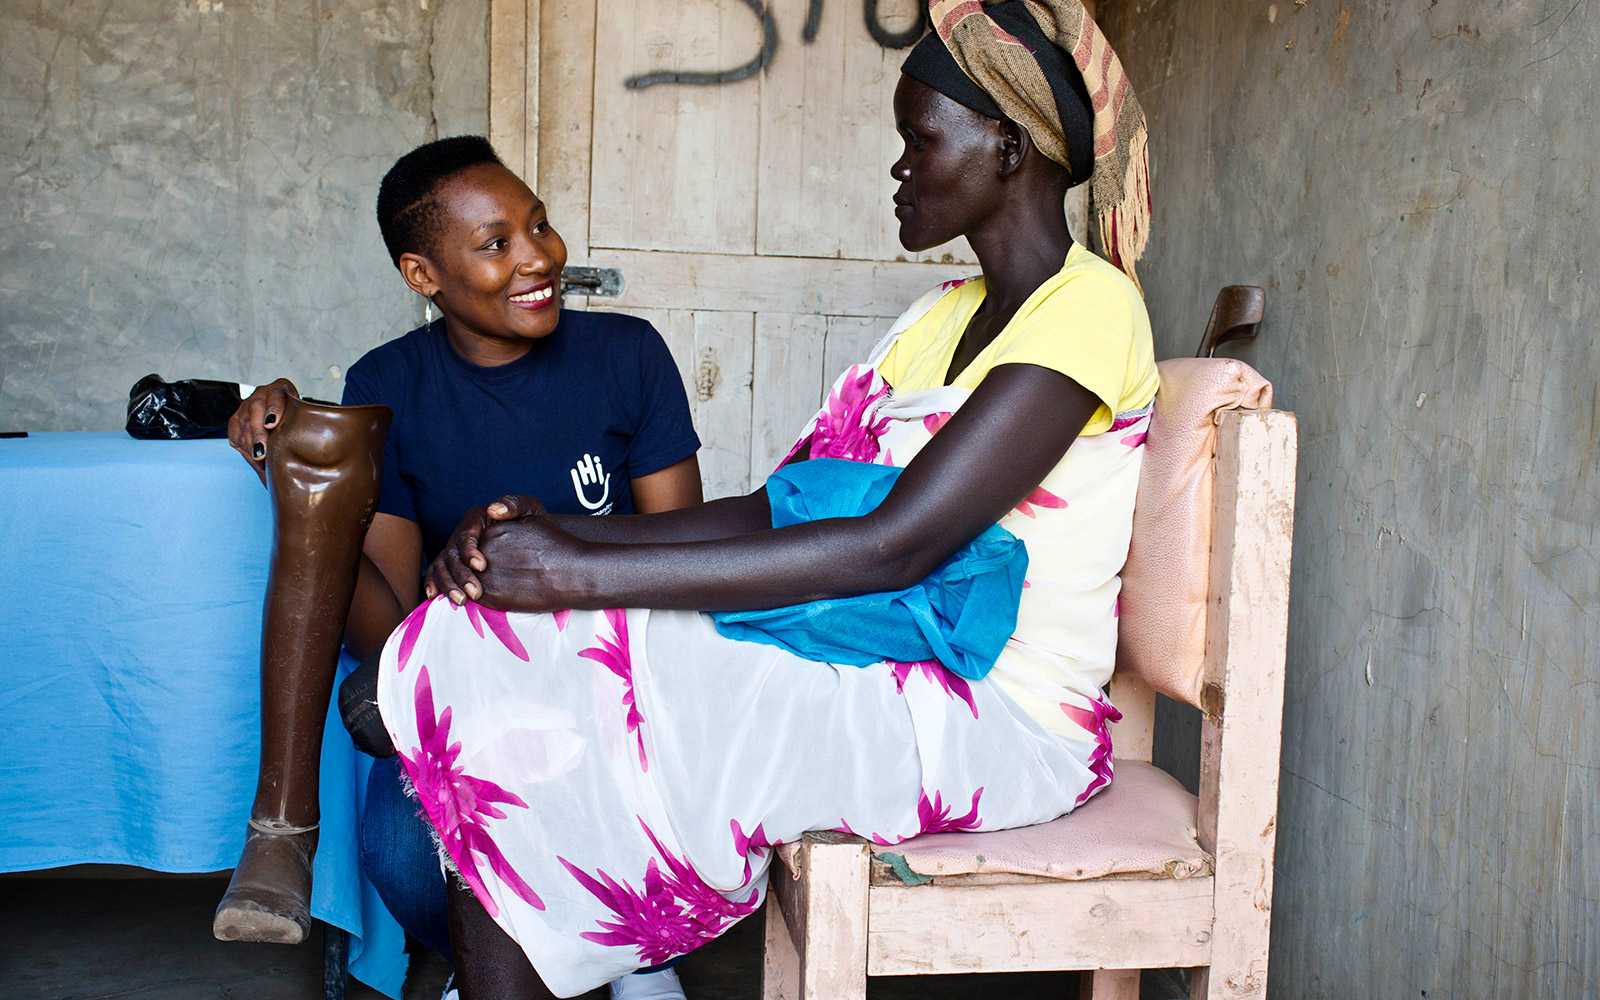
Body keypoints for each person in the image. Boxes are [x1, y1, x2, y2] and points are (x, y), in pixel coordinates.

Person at [377, 3, 1157, 997]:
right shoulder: (937, 319)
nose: (898, 167)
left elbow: (894, 547)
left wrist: (576, 573)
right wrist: (553, 529)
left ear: (1006, 145)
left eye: (919, 137)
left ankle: (597, 953)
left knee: (576, 653)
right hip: (878, 658)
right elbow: (777, 508)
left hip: (997, 716)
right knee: (506, 642)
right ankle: (588, 960)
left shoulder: (1087, 306)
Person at [223, 136, 704, 999]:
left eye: (540, 225)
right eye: (495, 245)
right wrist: (301, 481)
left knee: (630, 790)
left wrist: (541, 554)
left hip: (618, 687)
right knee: (402, 855)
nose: (538, 258)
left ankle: (636, 950)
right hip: (473, 698)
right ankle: (510, 956)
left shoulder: (627, 355)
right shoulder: (389, 382)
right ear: (422, 274)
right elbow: (391, 628)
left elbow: (687, 561)